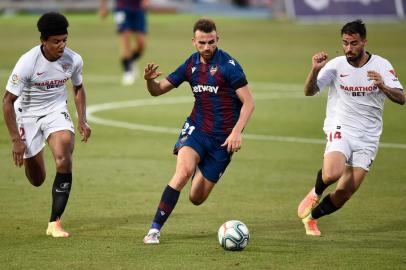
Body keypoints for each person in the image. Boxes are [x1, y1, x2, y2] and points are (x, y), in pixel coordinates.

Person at [142, 18, 255, 244]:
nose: (207, 47)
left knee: (196, 197)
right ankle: (154, 230)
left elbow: (249, 102)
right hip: (197, 130)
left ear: (217, 39)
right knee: (182, 173)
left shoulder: (229, 67)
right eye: (202, 43)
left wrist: (236, 132)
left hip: (222, 141)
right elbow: (158, 90)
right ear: (194, 41)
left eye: (211, 42)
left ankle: (201, 166)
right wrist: (149, 82)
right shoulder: (190, 65)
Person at [297, 19, 404, 236]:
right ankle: (315, 192)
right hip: (341, 126)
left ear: (364, 42)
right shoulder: (336, 65)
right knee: (332, 173)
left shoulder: (382, 66)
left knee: (344, 193)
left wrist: (382, 85)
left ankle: (312, 218)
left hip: (368, 137)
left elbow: (401, 98)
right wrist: (315, 70)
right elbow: (309, 91)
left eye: (353, 43)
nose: (348, 48)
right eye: (345, 43)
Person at [2, 12, 91, 238]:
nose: (61, 46)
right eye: (56, 41)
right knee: (37, 179)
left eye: (64, 40)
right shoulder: (27, 62)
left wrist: (82, 119)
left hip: (55, 111)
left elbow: (78, 88)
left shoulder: (73, 59)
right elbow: (7, 101)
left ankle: (55, 222)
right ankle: (33, 152)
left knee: (64, 156)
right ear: (43, 41)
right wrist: (16, 141)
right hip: (27, 115)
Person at [99, 0, 148, 85]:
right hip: (122, 9)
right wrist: (103, 7)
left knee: (141, 43)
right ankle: (127, 71)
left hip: (138, 9)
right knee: (125, 40)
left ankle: (131, 60)